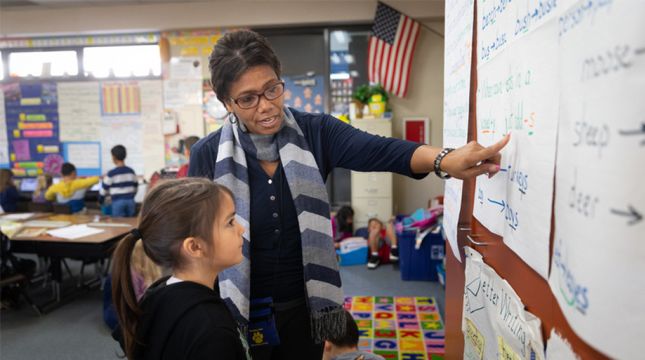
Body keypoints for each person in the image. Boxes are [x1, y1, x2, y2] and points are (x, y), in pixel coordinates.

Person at [189, 29, 509, 359]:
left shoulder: (315, 132)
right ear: (226, 102)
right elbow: (195, 244)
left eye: (272, 89)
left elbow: (381, 150)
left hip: (307, 309)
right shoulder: (207, 155)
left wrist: (444, 159)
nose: (267, 106)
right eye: (248, 98)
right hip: (236, 310)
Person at [111, 178, 249, 360]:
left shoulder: (160, 294)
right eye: (230, 222)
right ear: (194, 247)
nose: (241, 229)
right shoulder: (212, 331)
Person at [101, 145, 138, 217]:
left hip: (117, 202)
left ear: (114, 157)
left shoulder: (111, 173)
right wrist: (131, 196)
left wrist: (101, 199)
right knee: (131, 223)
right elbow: (135, 186)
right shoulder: (131, 171)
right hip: (130, 201)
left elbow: (104, 189)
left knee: (119, 223)